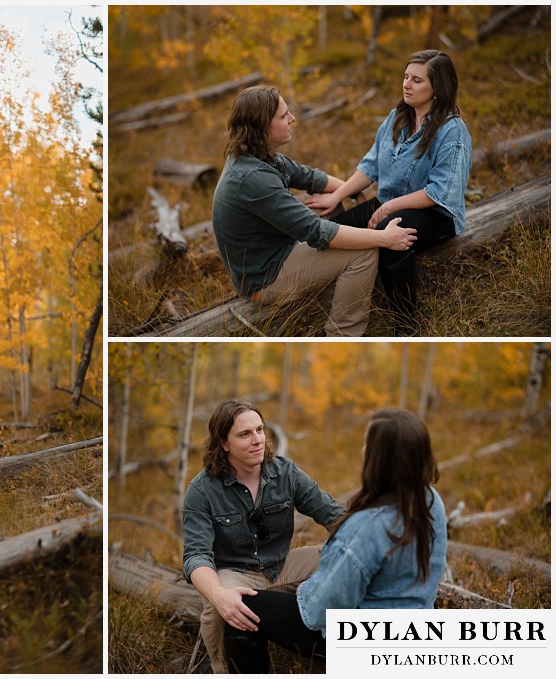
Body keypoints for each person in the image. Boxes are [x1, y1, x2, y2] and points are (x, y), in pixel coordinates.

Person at [224, 408, 449, 668]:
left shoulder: (368, 526)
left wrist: (308, 589)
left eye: (367, 443)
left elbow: (320, 610)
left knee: (239, 607)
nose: (363, 449)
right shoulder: (430, 500)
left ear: (381, 457)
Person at [212, 85, 418, 337]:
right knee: (364, 252)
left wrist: (350, 193)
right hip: (265, 279)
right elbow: (317, 232)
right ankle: (341, 334)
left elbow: (311, 178)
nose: (292, 119)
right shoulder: (253, 178)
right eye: (283, 116)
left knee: (331, 205)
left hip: (277, 252)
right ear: (261, 126)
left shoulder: (259, 155)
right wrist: (385, 238)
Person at [306, 50, 473, 336]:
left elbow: (440, 191)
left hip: (435, 214)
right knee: (332, 231)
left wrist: (389, 207)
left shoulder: (451, 130)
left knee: (388, 232)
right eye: (406, 77)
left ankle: (406, 325)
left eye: (417, 80)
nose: (407, 84)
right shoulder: (397, 117)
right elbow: (371, 165)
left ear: (438, 87)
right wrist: (338, 196)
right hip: (389, 203)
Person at [181, 398, 345, 673]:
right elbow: (195, 556)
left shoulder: (285, 472)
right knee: (218, 605)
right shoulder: (202, 490)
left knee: (338, 557)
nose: (257, 439)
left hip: (281, 565)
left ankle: (347, 648)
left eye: (260, 429)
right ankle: (224, 670)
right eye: (245, 434)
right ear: (224, 443)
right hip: (235, 572)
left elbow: (333, 515)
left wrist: (371, 546)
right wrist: (220, 595)